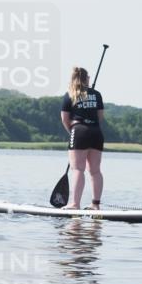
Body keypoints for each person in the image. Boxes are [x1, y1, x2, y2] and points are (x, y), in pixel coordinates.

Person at [60, 66, 105, 210]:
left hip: (79, 131)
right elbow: (100, 117)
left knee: (78, 169)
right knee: (95, 170)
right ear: (86, 79)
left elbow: (64, 119)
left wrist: (73, 132)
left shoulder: (69, 95)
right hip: (96, 132)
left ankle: (74, 204)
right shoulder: (97, 94)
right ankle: (95, 204)